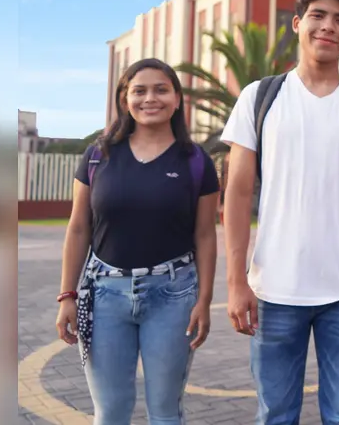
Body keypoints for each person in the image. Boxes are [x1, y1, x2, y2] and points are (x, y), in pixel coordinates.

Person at [220, 0, 339, 425]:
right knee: (276, 415)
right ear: (298, 24)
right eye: (318, 16)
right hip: (276, 289)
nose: (329, 27)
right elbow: (238, 194)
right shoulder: (259, 98)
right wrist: (236, 282)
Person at [55, 58, 220, 425]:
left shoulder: (196, 162)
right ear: (124, 99)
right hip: (104, 296)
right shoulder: (98, 155)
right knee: (111, 412)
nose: (150, 98)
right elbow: (78, 227)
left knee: (164, 412)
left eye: (161, 89)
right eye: (139, 90)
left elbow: (206, 235)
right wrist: (67, 295)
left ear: (177, 99)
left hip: (173, 297)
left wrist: (204, 300)